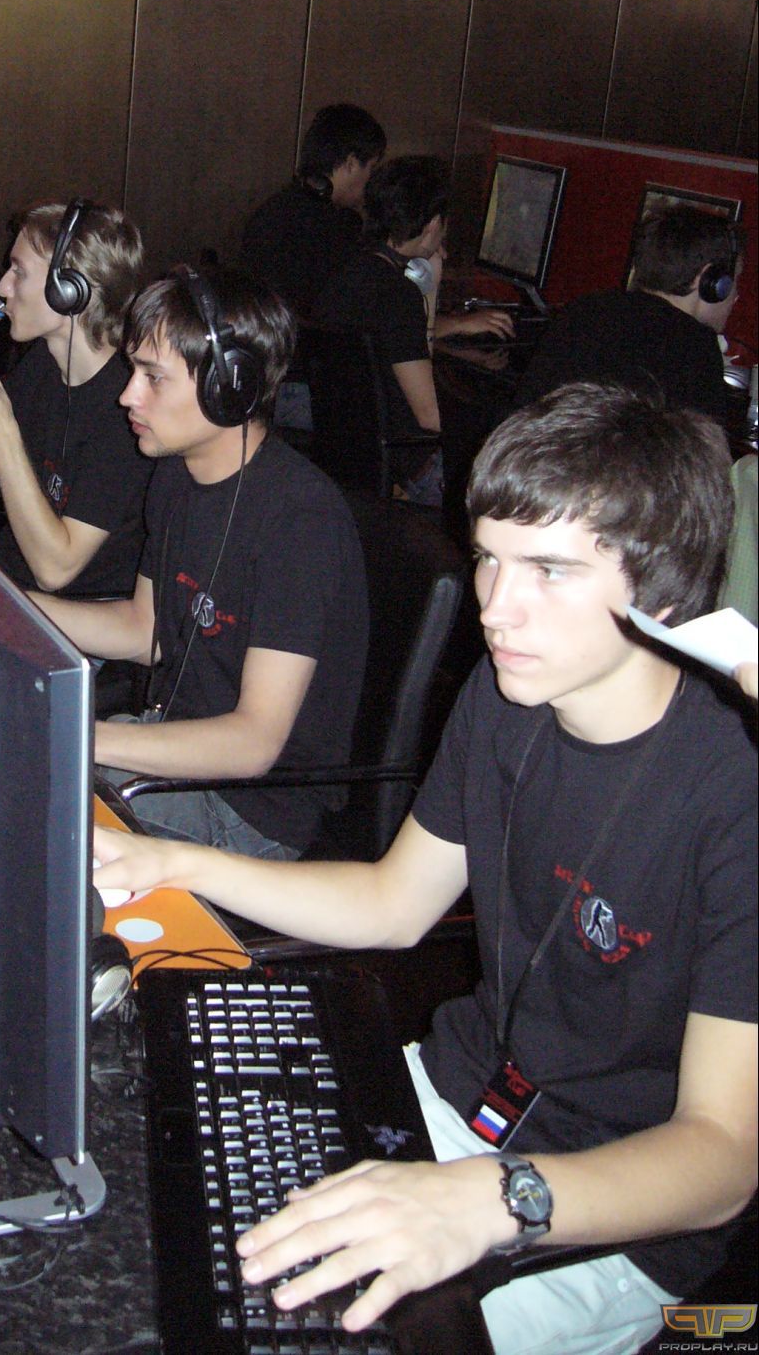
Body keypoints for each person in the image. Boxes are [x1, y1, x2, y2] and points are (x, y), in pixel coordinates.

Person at [94, 382, 757, 1355]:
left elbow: (724, 1156)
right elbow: (394, 899)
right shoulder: (508, 691)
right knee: (151, 1218)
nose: (495, 607)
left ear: (662, 589)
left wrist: (491, 1198)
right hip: (456, 1095)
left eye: (549, 570)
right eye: (487, 558)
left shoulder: (734, 789)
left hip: (608, 1208)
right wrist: (168, 860)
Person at [34, 266, 369, 860]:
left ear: (229, 387)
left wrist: (80, 736)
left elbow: (253, 744)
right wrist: (12, 607)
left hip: (253, 810)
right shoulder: (175, 474)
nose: (128, 396)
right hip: (174, 750)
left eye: (152, 377)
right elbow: (146, 630)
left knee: (30, 797)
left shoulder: (302, 522)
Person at [0, 199, 150, 600]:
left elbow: (55, 570)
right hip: (6, 577)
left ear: (71, 291)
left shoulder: (127, 408)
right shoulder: (44, 362)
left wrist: (2, 430)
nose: (2, 287)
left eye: (19, 271)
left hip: (67, 612)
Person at [319, 156, 513, 504]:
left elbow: (399, 343)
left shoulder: (348, 270)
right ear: (433, 223)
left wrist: (430, 291)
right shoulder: (398, 296)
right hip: (407, 468)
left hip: (346, 454)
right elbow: (430, 417)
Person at [514, 204, 742, 425]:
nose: (736, 295)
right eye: (734, 281)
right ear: (708, 280)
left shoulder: (586, 309)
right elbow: (705, 448)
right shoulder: (694, 346)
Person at [238, 102, 387, 322]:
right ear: (351, 163)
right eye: (371, 168)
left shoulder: (275, 208)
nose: (371, 180)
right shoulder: (333, 227)